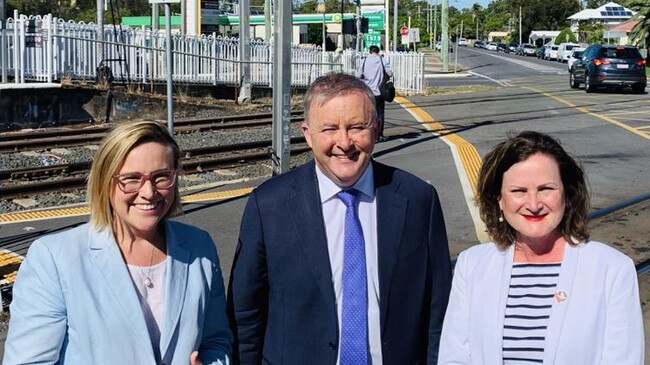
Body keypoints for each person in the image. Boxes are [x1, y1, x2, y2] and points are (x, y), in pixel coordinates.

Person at [227, 72, 452, 365]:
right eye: (330, 128)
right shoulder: (269, 204)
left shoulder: (418, 200)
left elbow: (439, 309)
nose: (344, 142)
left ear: (377, 128)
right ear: (307, 134)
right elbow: (246, 313)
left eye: (357, 127)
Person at [3, 121, 232, 365]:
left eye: (161, 177)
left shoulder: (199, 246)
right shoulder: (54, 258)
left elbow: (215, 342)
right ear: (105, 181)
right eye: (131, 179)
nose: (148, 192)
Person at [439, 131, 644, 364]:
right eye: (518, 191)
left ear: (566, 194)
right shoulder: (471, 266)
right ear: (499, 199)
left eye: (546, 188)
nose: (534, 204)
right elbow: (454, 357)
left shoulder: (613, 270)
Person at [356, 45, 393, 142]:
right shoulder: (381, 60)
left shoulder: (364, 60)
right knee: (380, 113)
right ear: (378, 51)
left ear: (370, 51)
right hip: (379, 91)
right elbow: (390, 73)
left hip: (367, 92)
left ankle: (369, 134)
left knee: (368, 113)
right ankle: (379, 134)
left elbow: (358, 75)